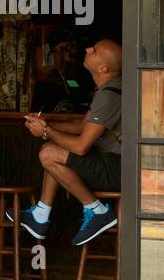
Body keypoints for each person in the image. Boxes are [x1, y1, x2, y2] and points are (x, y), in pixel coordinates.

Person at [16, 40, 123, 246]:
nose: (87, 48)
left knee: (49, 153)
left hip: (117, 169)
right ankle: (41, 214)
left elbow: (81, 146)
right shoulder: (107, 89)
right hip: (112, 162)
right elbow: (84, 126)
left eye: (95, 50)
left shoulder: (109, 96)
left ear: (103, 68)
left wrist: (46, 131)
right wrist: (47, 124)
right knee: (55, 148)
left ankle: (96, 210)